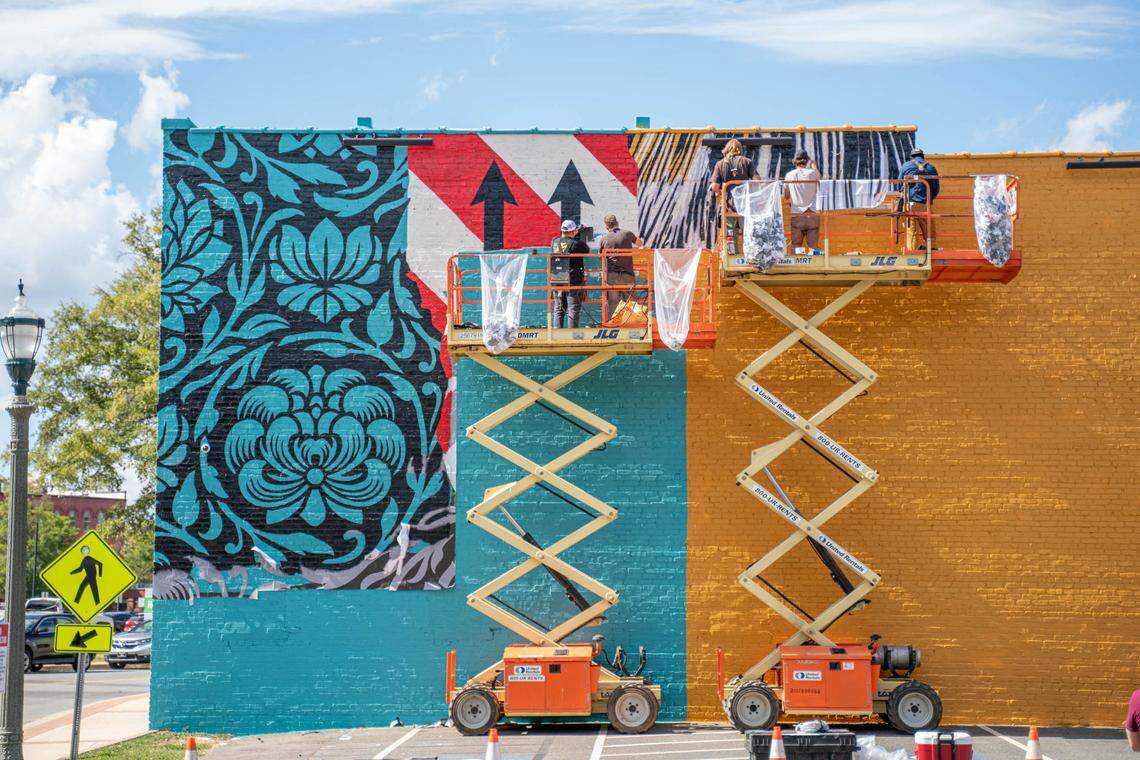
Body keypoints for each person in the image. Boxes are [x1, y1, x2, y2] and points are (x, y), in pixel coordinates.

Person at [709, 138, 759, 251]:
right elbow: (757, 182)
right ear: (740, 150)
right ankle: (751, 258)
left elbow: (714, 187)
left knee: (730, 237)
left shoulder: (720, 164)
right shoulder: (747, 162)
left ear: (726, 149)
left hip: (728, 208)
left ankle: (732, 259)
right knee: (749, 235)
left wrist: (721, 194)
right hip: (745, 207)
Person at [598, 213, 643, 320]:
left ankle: (613, 326)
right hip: (628, 275)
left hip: (612, 276)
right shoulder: (628, 234)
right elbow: (640, 244)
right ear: (617, 223)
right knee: (631, 303)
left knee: (613, 303)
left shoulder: (604, 239)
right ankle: (632, 324)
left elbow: (600, 257)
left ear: (606, 226)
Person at [898, 147, 940, 251]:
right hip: (925, 205)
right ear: (923, 156)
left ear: (911, 157)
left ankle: (913, 252)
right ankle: (932, 249)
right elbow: (936, 188)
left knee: (912, 231)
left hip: (910, 204)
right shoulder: (931, 168)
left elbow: (899, 185)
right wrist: (929, 200)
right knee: (929, 230)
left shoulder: (906, 166)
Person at [550, 219, 588, 328]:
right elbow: (586, 249)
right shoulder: (576, 244)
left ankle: (556, 334)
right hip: (572, 279)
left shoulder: (554, 241)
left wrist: (575, 232)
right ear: (573, 231)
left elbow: (564, 243)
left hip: (557, 278)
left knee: (558, 309)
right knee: (573, 308)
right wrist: (578, 234)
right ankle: (571, 334)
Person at [785, 149, 822, 251]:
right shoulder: (814, 173)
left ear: (795, 161)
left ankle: (798, 265)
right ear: (806, 161)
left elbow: (786, 196)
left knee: (797, 246)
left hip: (797, 215)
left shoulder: (789, 175)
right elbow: (820, 181)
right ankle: (814, 265)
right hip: (813, 215)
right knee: (813, 247)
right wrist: (814, 165)